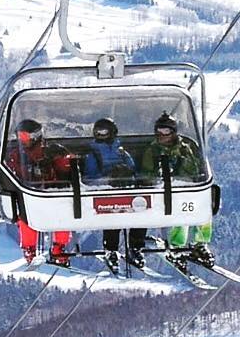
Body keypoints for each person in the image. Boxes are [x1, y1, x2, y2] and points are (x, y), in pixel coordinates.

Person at [140, 112, 213, 267]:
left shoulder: (185, 148)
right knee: (180, 213)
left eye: (166, 131)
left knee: (202, 210)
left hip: (185, 185)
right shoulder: (152, 151)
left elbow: (195, 168)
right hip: (163, 189)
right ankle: (176, 245)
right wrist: (158, 176)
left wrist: (184, 166)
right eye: (159, 131)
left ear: (173, 132)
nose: (162, 135)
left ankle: (200, 243)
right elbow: (146, 173)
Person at [6, 118, 73, 266]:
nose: (21, 141)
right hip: (29, 192)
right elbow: (12, 169)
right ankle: (29, 248)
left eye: (24, 137)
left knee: (62, 215)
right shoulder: (17, 154)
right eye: (19, 136)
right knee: (26, 217)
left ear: (34, 137)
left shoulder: (49, 151)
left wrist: (60, 159)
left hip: (50, 191)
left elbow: (66, 168)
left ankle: (59, 247)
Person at [82, 117, 146, 270]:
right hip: (108, 191)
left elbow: (133, 169)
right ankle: (111, 249)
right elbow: (89, 178)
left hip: (127, 188)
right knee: (113, 216)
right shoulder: (93, 154)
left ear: (112, 133)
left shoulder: (121, 152)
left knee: (141, 214)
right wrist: (109, 178)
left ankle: (136, 248)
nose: (100, 135)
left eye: (104, 132)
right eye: (97, 132)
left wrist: (127, 173)